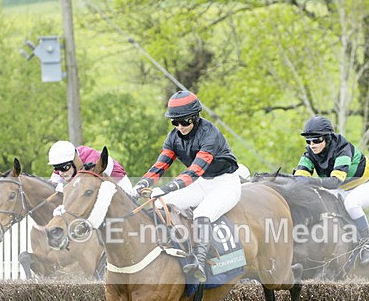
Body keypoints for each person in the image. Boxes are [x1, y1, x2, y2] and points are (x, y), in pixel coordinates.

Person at [133, 90, 241, 283]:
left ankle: (199, 263)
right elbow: (160, 165)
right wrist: (142, 183)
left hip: (225, 183)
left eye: (185, 121)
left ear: (196, 117)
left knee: (202, 213)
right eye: (175, 122)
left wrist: (167, 187)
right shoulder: (173, 137)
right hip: (202, 184)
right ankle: (164, 250)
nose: (180, 127)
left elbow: (194, 172)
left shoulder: (210, 134)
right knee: (160, 203)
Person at [292, 116, 369, 264]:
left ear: (327, 138)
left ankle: (366, 245)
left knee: (351, 204)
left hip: (368, 185)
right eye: (308, 141)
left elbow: (334, 182)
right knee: (323, 204)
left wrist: (309, 180)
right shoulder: (310, 153)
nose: (312, 145)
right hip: (343, 188)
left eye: (316, 140)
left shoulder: (342, 149)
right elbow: (299, 179)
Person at [47, 140, 134, 195]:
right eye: (57, 168)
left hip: (118, 182)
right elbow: (51, 185)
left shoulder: (92, 161)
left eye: (64, 168)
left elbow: (81, 190)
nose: (61, 173)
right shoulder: (65, 160)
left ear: (74, 159)